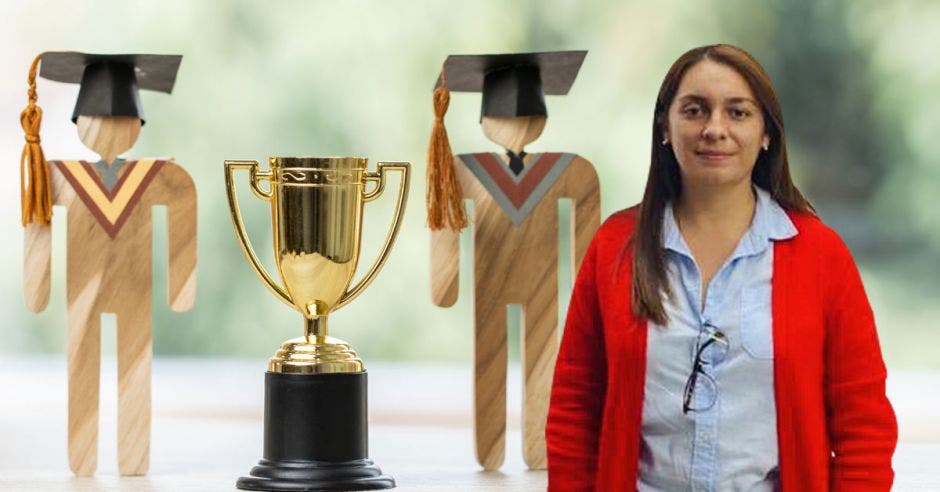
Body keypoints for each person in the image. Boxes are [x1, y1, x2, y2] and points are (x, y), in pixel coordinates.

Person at [545, 44, 897, 491]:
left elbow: (864, 425)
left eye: (738, 112)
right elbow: (575, 409)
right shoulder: (616, 246)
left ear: (766, 132)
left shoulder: (820, 255)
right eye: (694, 110)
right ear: (665, 128)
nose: (715, 129)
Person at [20, 52, 196, 476]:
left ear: (138, 126)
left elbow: (182, 211)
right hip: (81, 295)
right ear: (79, 124)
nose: (110, 127)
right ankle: (83, 457)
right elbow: (39, 225)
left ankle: (132, 459)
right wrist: (37, 285)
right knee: (82, 368)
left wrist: (180, 286)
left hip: (135, 289)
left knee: (135, 369)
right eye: (98, 117)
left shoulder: (161, 177)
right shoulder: (56, 178)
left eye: (121, 118)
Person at [426, 51, 601, 470]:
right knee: (490, 361)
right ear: (484, 121)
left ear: (542, 119)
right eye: (505, 115)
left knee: (544, 364)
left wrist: (587, 291)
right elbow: (443, 223)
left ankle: (539, 446)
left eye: (527, 115)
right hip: (489, 288)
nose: (517, 123)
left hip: (544, 292)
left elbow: (586, 225)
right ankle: (490, 448)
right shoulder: (461, 171)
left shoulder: (571, 170)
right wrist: (445, 279)